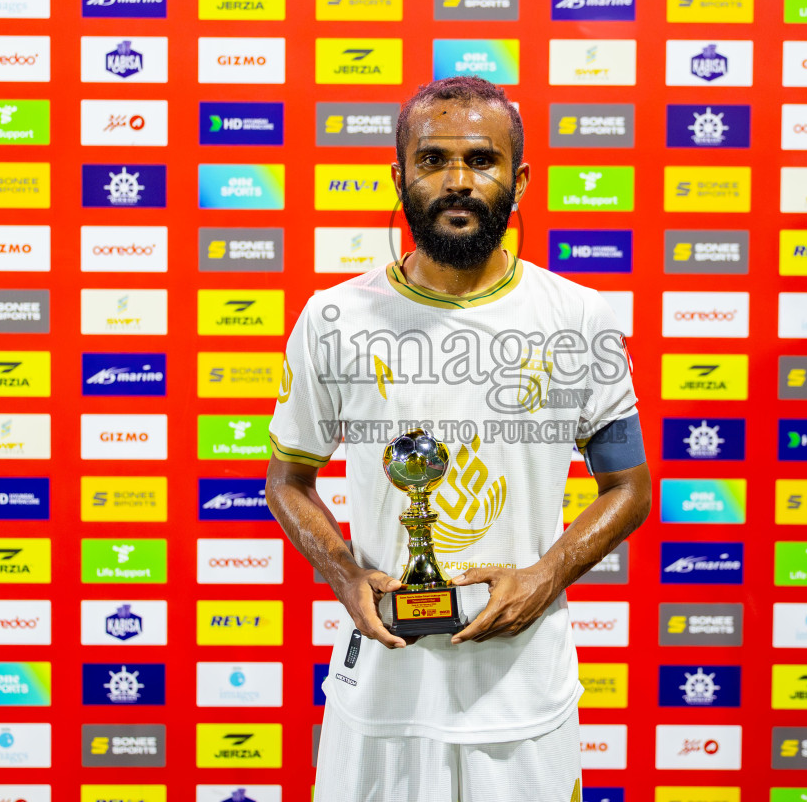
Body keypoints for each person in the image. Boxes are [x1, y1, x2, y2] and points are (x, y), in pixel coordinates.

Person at [267, 75, 651, 802]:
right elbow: (289, 479)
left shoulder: (579, 317)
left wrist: (545, 576)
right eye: (433, 158)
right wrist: (347, 578)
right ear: (399, 175)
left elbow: (629, 486)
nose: (457, 180)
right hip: (383, 690)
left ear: (521, 179)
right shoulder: (333, 318)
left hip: (520, 695)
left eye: (481, 160)